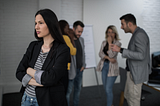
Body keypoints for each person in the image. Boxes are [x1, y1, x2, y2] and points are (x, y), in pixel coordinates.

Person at [16, 9, 70, 106]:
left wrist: (29, 70)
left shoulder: (63, 49)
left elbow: (51, 78)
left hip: (47, 100)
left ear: (50, 24)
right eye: (35, 23)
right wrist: (41, 81)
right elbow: (19, 72)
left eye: (40, 23)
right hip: (27, 99)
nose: (36, 27)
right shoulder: (33, 46)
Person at [111, 13, 151, 106]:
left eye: (122, 24)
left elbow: (141, 55)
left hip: (136, 74)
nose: (121, 27)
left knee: (133, 101)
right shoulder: (136, 33)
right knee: (129, 97)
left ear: (129, 24)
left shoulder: (139, 34)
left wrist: (121, 50)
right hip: (132, 72)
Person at [96, 25, 121, 106]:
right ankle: (110, 104)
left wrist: (110, 43)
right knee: (106, 88)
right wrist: (108, 58)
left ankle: (109, 104)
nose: (110, 34)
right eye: (108, 32)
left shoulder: (117, 43)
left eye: (112, 32)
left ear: (115, 33)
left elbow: (112, 55)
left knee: (108, 89)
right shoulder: (104, 42)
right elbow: (100, 54)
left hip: (112, 68)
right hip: (104, 66)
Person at [66, 21, 86, 106]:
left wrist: (83, 65)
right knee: (68, 92)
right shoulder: (68, 40)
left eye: (81, 32)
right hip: (71, 71)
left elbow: (83, 53)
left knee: (78, 90)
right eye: (78, 31)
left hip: (80, 70)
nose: (80, 34)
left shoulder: (81, 39)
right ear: (73, 29)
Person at [59, 20, 77, 94]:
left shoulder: (57, 37)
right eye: (66, 27)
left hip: (58, 66)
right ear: (63, 28)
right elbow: (73, 52)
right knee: (65, 91)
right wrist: (72, 41)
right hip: (65, 67)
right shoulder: (65, 37)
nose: (68, 29)